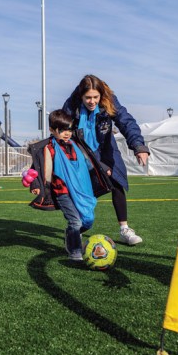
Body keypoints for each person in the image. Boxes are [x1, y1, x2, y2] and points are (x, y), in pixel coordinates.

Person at [62, 74, 150, 246]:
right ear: (81, 95)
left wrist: (138, 146)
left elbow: (126, 122)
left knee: (117, 182)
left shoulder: (109, 100)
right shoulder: (71, 106)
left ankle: (124, 229)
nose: (92, 101)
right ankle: (76, 228)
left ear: (101, 95)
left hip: (106, 146)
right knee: (83, 189)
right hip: (81, 149)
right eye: (88, 97)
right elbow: (62, 129)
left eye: (96, 97)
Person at [27, 110, 112, 262]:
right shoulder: (48, 148)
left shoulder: (76, 145)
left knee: (88, 220)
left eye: (69, 129)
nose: (67, 133)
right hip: (63, 192)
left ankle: (71, 233)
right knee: (76, 221)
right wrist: (35, 184)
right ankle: (75, 252)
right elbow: (36, 167)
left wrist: (104, 169)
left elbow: (90, 161)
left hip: (81, 189)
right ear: (52, 130)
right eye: (62, 130)